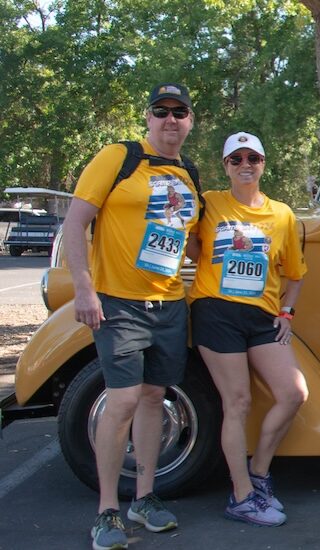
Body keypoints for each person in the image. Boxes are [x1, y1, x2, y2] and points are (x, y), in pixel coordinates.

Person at [62, 83, 201, 550]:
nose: (170, 120)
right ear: (148, 118)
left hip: (168, 303)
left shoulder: (189, 174)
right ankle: (107, 509)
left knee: (153, 397)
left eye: (179, 112)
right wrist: (84, 288)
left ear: (189, 121)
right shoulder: (119, 158)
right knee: (120, 400)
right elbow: (75, 221)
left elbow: (196, 239)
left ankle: (144, 499)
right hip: (119, 303)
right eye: (161, 111)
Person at [187, 132, 308, 526]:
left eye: (252, 158)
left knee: (293, 393)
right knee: (237, 402)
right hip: (216, 311)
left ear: (263, 164)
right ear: (225, 167)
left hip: (261, 316)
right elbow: (189, 246)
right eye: (236, 159)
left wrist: (286, 312)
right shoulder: (210, 204)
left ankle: (258, 475)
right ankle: (240, 498)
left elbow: (295, 274)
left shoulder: (282, 214)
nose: (244, 165)